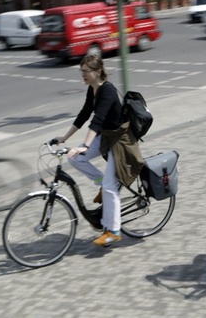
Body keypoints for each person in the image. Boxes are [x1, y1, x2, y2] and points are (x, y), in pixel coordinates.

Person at [54, 54, 144, 247]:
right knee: (75, 158)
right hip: (105, 136)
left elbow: (97, 121)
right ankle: (101, 183)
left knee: (112, 187)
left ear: (97, 71)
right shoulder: (92, 90)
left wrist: (85, 145)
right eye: (82, 71)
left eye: (86, 71)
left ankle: (114, 231)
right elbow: (84, 115)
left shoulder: (108, 91)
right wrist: (65, 138)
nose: (83, 75)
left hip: (120, 140)